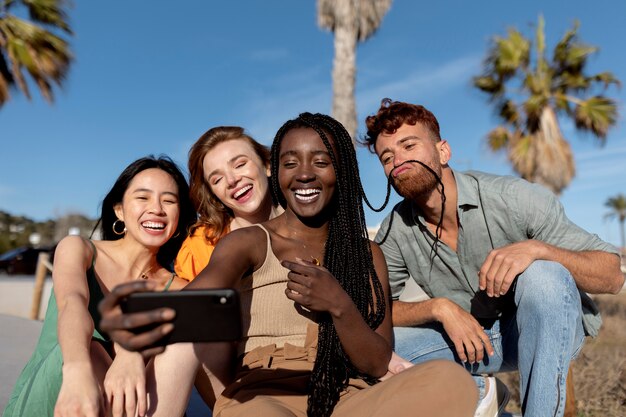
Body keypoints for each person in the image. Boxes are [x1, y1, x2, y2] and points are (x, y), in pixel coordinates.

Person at [99, 112, 478, 417]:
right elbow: (200, 295)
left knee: (450, 381)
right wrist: (133, 345)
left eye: (321, 161)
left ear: (341, 171)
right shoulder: (248, 241)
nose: (304, 173)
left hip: (348, 396)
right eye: (290, 162)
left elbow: (379, 362)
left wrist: (339, 305)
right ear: (277, 172)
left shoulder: (367, 254)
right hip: (264, 394)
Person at [362, 99, 625, 417]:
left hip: (545, 325)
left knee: (542, 275)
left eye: (408, 145)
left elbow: (612, 274)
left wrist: (537, 249)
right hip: (472, 340)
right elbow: (376, 311)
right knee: (370, 349)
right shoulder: (395, 229)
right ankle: (480, 397)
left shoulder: (514, 198)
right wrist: (438, 308)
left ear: (443, 151)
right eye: (387, 157)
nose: (398, 160)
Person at [2, 156, 196, 417]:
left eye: (169, 201)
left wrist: (131, 354)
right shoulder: (79, 249)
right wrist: (77, 370)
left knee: (185, 339)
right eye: (143, 197)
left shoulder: (178, 288)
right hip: (62, 387)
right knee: (91, 348)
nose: (157, 209)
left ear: (179, 215)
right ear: (119, 210)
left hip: (132, 407)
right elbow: (73, 303)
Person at [174, 126, 281, 281]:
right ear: (213, 194)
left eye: (240, 165)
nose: (231, 180)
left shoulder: (312, 221)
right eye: (217, 179)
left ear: (267, 165)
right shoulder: (201, 247)